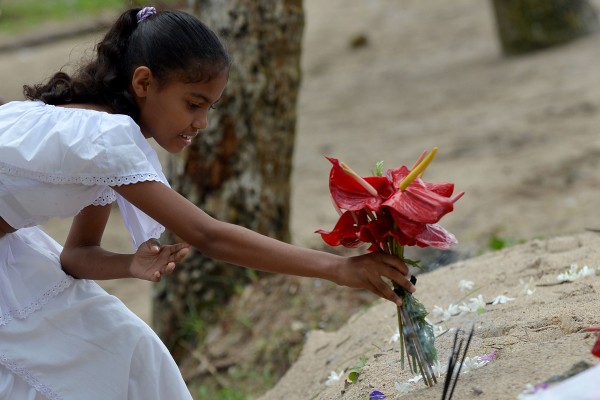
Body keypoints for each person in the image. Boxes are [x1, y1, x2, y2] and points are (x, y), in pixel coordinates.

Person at [0, 6, 415, 400]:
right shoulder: (104, 138)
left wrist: (129, 264)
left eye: (210, 107)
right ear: (143, 83)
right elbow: (208, 235)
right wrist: (339, 268)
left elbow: (77, 256)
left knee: (131, 349)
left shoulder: (98, 133)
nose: (202, 123)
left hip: (12, 255)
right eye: (193, 104)